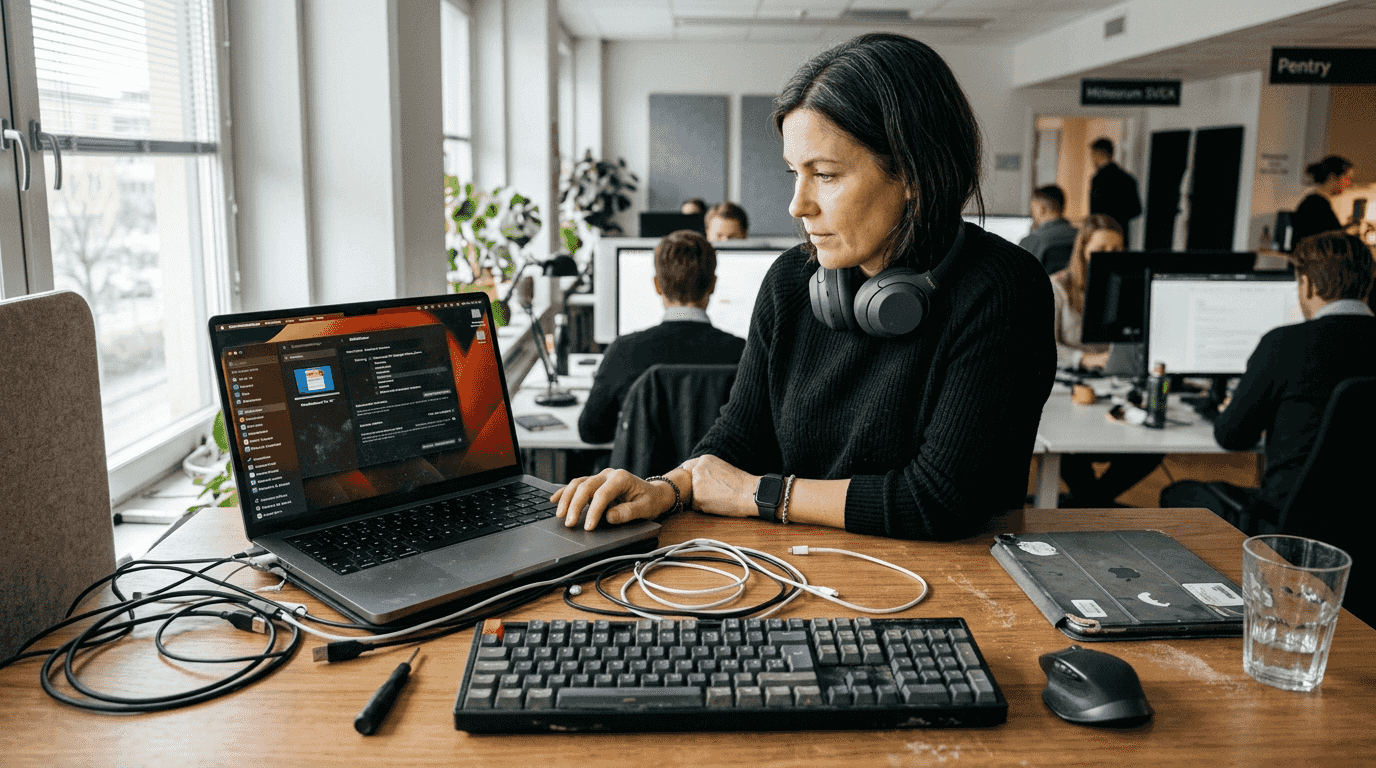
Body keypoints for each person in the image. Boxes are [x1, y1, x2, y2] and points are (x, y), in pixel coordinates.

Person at [553, 33, 1054, 541]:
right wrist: (669, 486)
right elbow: (741, 435)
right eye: (795, 173)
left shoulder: (1003, 289)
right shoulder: (793, 280)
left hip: (959, 587)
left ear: (913, 173)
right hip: (809, 571)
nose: (798, 205)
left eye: (826, 175)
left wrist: (760, 494)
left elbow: (941, 500)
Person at [1160, 231, 1376, 532]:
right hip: (1366, 525)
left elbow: (1232, 437)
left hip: (1294, 521)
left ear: (1308, 284)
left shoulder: (1285, 344)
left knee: (1178, 494)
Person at [578, 230, 746, 445]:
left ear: (657, 285)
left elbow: (592, 431)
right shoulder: (744, 353)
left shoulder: (624, 351)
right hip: (712, 478)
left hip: (642, 478)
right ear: (713, 284)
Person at [1051, 214, 1163, 507]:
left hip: (1115, 383)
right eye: (1101, 250)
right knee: (1065, 449)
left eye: (1117, 250)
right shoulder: (1057, 287)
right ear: (1084, 250)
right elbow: (1043, 345)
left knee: (1154, 447)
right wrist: (1086, 359)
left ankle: (1090, 504)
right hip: (1068, 386)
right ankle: (1097, 505)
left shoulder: (1128, 286)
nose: (1110, 258)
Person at [1290, 155, 1353, 247]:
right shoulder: (1318, 204)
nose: (1349, 184)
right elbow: (1335, 241)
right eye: (1347, 178)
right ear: (1333, 177)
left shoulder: (1314, 201)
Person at [1088, 138, 1142, 243]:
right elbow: (1137, 210)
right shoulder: (1128, 178)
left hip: (1102, 234)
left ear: (1098, 154)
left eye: (1092, 155)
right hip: (1121, 234)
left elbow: (1094, 212)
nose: (1092, 159)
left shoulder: (1098, 179)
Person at [1018, 185, 1077, 274]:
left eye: (1032, 209)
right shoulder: (1080, 235)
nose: (1031, 214)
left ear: (1042, 209)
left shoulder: (1031, 241)